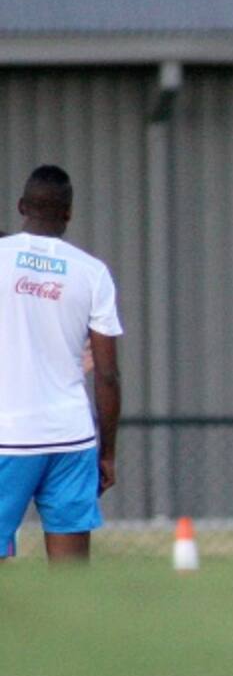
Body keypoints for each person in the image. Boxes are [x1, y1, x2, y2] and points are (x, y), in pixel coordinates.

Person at [0, 165, 122, 562]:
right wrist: (107, 452)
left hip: (9, 435)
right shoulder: (92, 273)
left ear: (20, 207)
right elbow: (107, 374)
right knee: (71, 579)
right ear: (69, 214)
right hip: (72, 437)